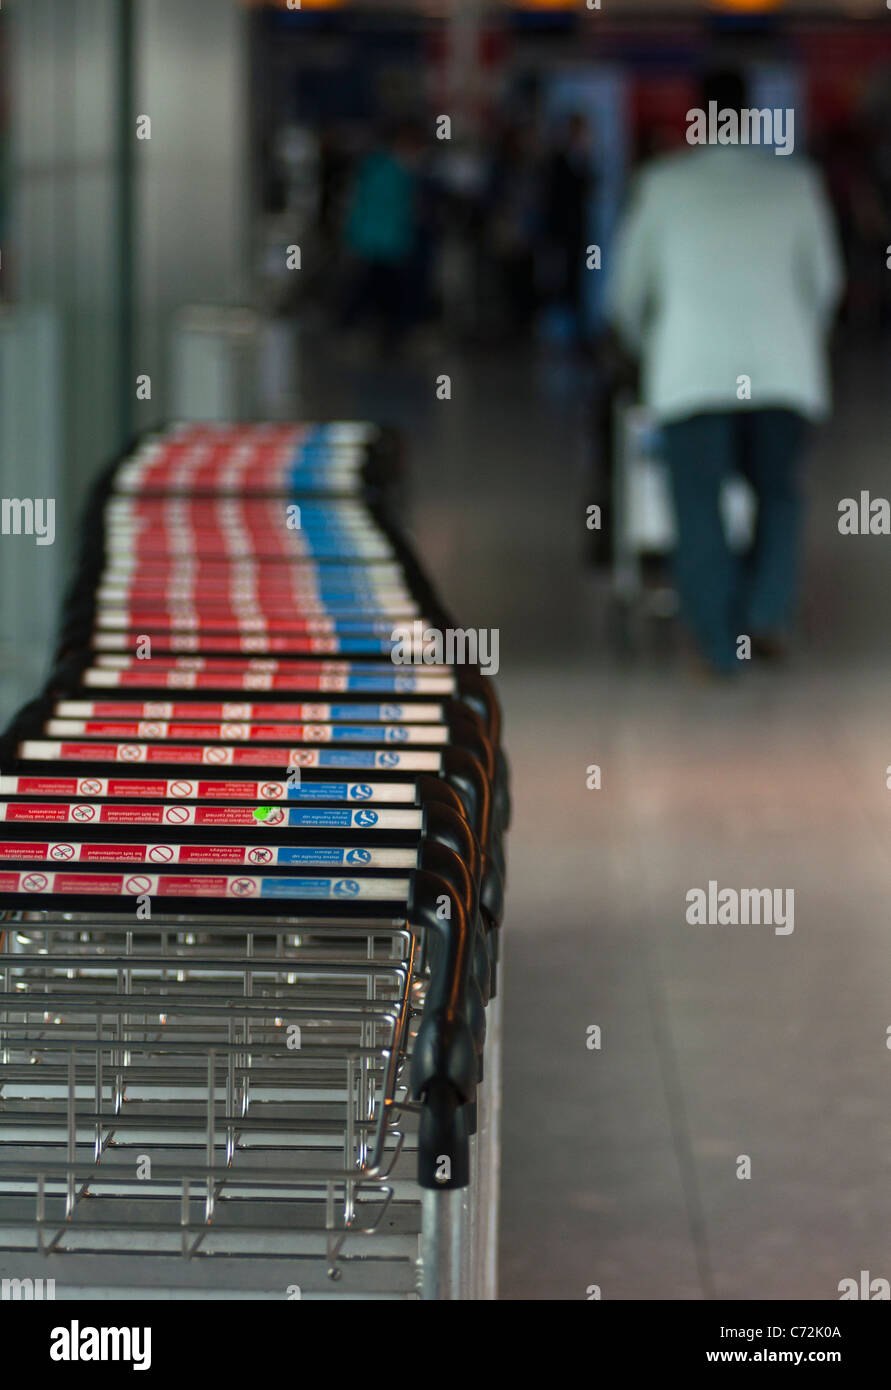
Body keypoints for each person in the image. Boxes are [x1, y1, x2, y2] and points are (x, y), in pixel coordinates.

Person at [608, 68, 844, 675]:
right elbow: (826, 284)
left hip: (692, 368)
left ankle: (716, 640)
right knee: (779, 496)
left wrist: (645, 346)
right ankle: (765, 616)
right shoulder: (796, 183)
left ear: (696, 114)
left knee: (697, 502)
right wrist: (796, 335)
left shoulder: (662, 186)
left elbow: (627, 294)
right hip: (781, 370)